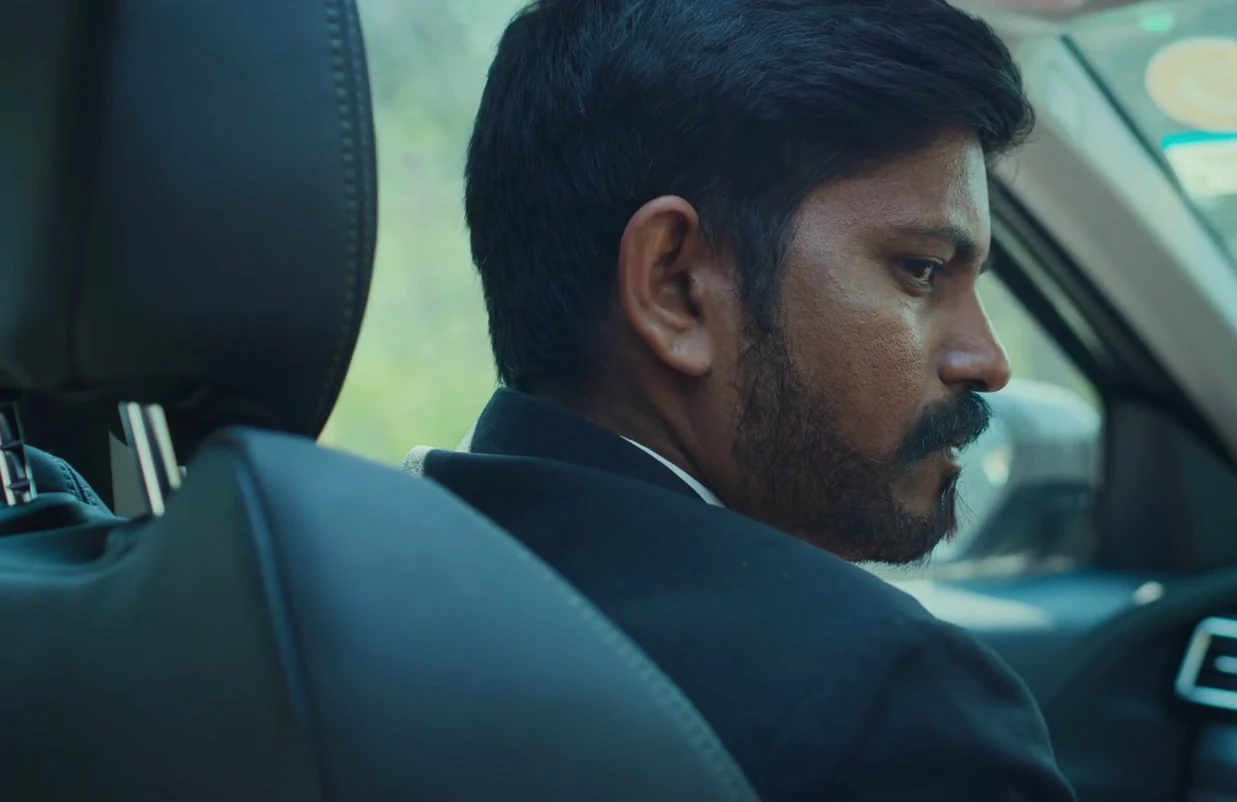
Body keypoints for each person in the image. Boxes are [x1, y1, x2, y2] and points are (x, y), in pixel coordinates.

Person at [418, 0, 1074, 800]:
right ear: (676, 288)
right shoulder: (882, 701)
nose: (989, 361)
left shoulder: (363, 587)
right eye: (922, 270)